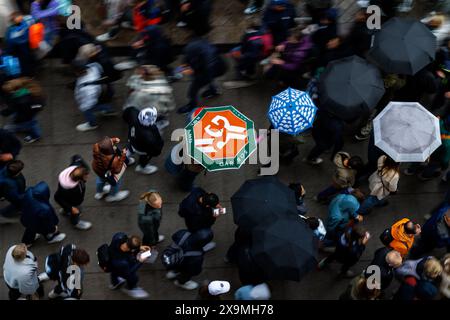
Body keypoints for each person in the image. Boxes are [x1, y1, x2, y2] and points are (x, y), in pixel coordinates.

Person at [177, 38, 227, 114]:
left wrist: (192, 71)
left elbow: (205, 75)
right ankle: (213, 91)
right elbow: (188, 57)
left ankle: (192, 106)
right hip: (215, 69)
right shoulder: (203, 49)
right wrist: (186, 64)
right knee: (210, 80)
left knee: (193, 90)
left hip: (211, 71)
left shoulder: (207, 60)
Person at [73, 61, 117, 132]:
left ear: (77, 72)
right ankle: (108, 110)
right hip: (99, 90)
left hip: (92, 95)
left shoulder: (88, 89)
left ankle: (92, 124)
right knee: (97, 104)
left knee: (88, 110)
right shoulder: (92, 68)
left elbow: (89, 103)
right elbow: (97, 66)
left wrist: (83, 107)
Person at [20, 181, 66, 246]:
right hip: (38, 223)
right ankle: (51, 238)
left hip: (26, 217)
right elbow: (48, 223)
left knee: (30, 230)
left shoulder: (29, 192)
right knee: (44, 229)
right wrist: (53, 229)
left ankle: (27, 242)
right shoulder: (45, 209)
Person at [54, 155, 92, 231]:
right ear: (79, 179)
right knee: (75, 212)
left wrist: (85, 168)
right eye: (86, 176)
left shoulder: (74, 167)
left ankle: (65, 211)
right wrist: (71, 208)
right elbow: (57, 197)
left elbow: (76, 157)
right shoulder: (72, 189)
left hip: (69, 200)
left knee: (68, 208)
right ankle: (76, 223)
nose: (88, 177)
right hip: (72, 202)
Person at [2, 77, 44, 144]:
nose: (9, 93)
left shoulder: (22, 101)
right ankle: (32, 131)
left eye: (10, 92)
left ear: (15, 90)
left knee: (29, 124)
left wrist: (5, 112)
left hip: (25, 116)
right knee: (32, 123)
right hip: (28, 113)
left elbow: (14, 108)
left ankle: (36, 136)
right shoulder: (25, 88)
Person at [108, 232, 150, 298]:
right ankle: (130, 288)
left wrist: (139, 247)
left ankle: (115, 283)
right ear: (132, 249)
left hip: (111, 262)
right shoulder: (123, 263)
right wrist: (140, 261)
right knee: (134, 278)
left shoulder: (119, 236)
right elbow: (130, 272)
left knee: (114, 272)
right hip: (119, 265)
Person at [123, 106, 164, 174]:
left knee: (129, 149)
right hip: (142, 149)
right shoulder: (150, 135)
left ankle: (123, 160)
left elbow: (128, 112)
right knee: (144, 158)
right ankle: (142, 167)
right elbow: (156, 147)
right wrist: (156, 152)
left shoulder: (134, 116)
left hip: (132, 140)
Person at [92, 136, 130, 202]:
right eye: (112, 145)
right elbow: (117, 170)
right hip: (109, 173)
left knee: (101, 180)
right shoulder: (112, 159)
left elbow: (104, 143)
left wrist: (114, 139)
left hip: (98, 170)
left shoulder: (97, 147)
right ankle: (113, 195)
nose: (113, 145)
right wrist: (123, 156)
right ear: (109, 150)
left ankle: (99, 192)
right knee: (116, 182)